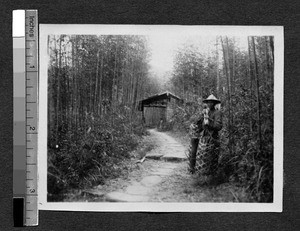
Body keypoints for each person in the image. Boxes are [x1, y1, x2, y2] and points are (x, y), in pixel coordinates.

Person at [188, 94, 222, 182]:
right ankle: (194, 170)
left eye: (211, 102)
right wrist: (201, 117)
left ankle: (210, 175)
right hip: (203, 136)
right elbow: (199, 125)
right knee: (198, 153)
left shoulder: (217, 113)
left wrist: (209, 123)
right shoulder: (205, 112)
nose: (210, 104)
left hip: (212, 137)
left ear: (214, 104)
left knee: (210, 156)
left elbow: (218, 126)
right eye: (208, 102)